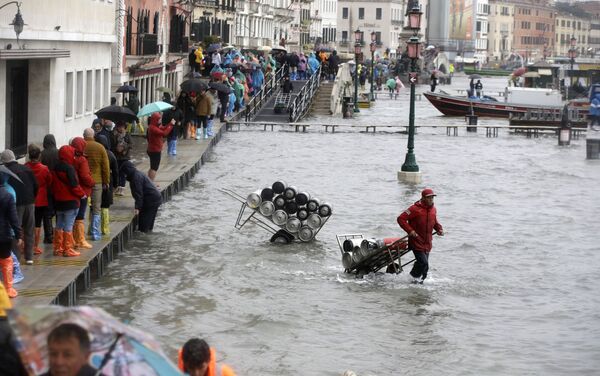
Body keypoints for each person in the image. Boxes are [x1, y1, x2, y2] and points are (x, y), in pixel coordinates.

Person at [397, 188, 444, 284]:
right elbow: (401, 219)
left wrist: (439, 229)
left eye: (432, 197)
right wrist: (410, 231)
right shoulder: (414, 209)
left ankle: (417, 283)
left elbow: (434, 222)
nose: (431, 199)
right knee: (423, 263)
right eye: (429, 197)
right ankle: (412, 281)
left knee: (424, 266)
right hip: (416, 241)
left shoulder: (433, 210)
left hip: (427, 242)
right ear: (423, 198)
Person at [0, 150, 38, 265]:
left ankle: (15, 258)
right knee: (29, 229)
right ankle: (29, 257)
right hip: (30, 203)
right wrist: (32, 198)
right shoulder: (27, 168)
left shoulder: (7, 172)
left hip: (17, 204)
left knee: (15, 229)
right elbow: (36, 185)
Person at [51, 146, 86, 257]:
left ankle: (58, 248)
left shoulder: (54, 167)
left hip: (58, 201)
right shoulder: (70, 168)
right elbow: (74, 186)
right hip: (70, 202)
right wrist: (83, 194)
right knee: (69, 225)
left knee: (59, 224)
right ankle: (68, 249)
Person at [25, 144, 53, 256]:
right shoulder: (44, 169)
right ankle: (34, 246)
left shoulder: (25, 167)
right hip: (41, 199)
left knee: (26, 223)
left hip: (28, 198)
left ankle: (26, 245)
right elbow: (49, 181)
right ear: (39, 155)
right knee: (37, 223)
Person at [119, 161, 162, 233]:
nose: (124, 176)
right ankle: (148, 231)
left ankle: (144, 234)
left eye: (124, 173)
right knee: (149, 223)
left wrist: (137, 208)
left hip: (151, 201)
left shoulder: (135, 179)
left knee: (143, 225)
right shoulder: (138, 174)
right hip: (155, 198)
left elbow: (138, 194)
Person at [0, 166, 23, 298]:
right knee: (6, 260)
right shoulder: (7, 196)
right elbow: (13, 218)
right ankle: (8, 288)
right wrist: (18, 234)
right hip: (4, 235)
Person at [83, 128, 110, 241]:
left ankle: (79, 234)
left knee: (82, 208)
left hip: (83, 181)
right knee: (96, 207)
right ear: (93, 135)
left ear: (84, 135)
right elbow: (105, 167)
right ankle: (95, 233)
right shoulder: (100, 147)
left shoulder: (81, 146)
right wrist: (106, 181)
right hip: (97, 181)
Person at [69, 138, 94, 249]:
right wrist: (92, 182)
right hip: (83, 191)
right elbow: (84, 176)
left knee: (72, 216)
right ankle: (80, 239)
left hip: (72, 190)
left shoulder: (70, 158)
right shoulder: (82, 160)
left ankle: (72, 239)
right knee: (80, 216)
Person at [96, 135, 118, 235]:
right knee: (105, 205)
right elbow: (116, 171)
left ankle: (93, 229)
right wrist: (116, 184)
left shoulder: (94, 153)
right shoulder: (111, 155)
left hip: (96, 181)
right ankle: (105, 228)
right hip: (108, 182)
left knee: (95, 206)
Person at [41, 134, 59, 244]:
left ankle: (48, 236)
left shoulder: (42, 154)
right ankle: (58, 234)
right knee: (58, 211)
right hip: (57, 186)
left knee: (47, 213)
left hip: (46, 187)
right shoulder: (58, 153)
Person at [146, 112, 174, 182]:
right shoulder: (153, 128)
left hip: (153, 149)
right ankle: (151, 183)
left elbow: (164, 128)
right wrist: (171, 125)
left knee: (152, 167)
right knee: (154, 168)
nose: (160, 120)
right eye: (159, 119)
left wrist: (170, 123)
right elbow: (164, 133)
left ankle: (149, 181)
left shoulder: (155, 126)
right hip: (154, 150)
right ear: (155, 119)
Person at [111, 121, 132, 196]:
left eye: (122, 127)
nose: (120, 128)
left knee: (123, 173)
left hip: (124, 157)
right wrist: (116, 148)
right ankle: (116, 187)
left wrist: (124, 147)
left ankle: (122, 188)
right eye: (119, 127)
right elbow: (112, 144)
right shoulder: (114, 134)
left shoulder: (127, 135)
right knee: (116, 172)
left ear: (124, 127)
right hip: (116, 156)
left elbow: (131, 145)